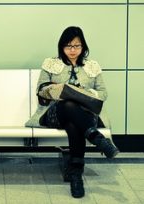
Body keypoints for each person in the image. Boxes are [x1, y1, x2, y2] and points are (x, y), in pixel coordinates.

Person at [25, 26, 119, 198]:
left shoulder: (92, 66)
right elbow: (40, 90)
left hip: (85, 115)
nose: (73, 50)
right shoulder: (51, 64)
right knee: (68, 104)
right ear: (61, 47)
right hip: (54, 114)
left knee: (73, 124)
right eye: (68, 46)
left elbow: (103, 93)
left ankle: (76, 176)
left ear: (83, 46)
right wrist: (53, 90)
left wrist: (85, 93)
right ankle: (96, 138)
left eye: (77, 46)